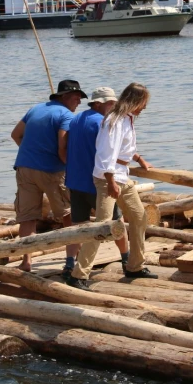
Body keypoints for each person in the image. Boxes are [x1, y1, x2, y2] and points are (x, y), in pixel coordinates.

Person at [68, 83, 157, 290]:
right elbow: (106, 153)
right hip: (110, 178)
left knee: (139, 216)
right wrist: (110, 182)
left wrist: (139, 160)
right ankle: (78, 274)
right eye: (143, 103)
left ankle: (135, 265)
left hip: (122, 176)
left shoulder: (127, 119)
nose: (144, 108)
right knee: (103, 225)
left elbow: (124, 150)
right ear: (135, 101)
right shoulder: (115, 121)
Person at [10, 79, 86, 272]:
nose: (79, 103)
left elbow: (16, 134)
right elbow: (63, 146)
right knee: (68, 214)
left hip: (25, 168)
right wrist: (71, 165)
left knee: (27, 217)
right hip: (52, 171)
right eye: (77, 98)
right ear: (67, 97)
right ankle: (74, 256)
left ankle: (26, 261)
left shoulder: (35, 109)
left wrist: (32, 154)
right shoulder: (66, 115)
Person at [63, 87, 129, 281]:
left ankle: (69, 263)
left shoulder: (76, 119)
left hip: (75, 181)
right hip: (95, 182)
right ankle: (126, 260)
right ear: (99, 103)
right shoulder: (102, 122)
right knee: (116, 222)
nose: (114, 108)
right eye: (111, 104)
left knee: (78, 226)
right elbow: (111, 149)